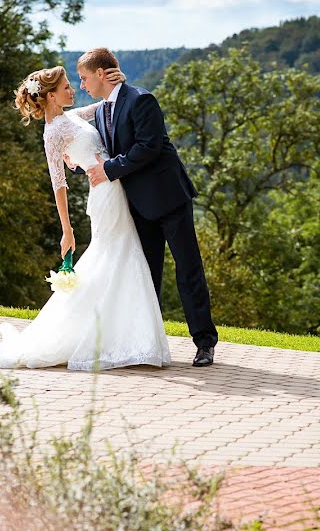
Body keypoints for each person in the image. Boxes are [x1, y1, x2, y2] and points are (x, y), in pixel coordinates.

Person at [0, 65, 171, 370]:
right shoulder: (54, 132)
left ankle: (125, 338)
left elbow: (105, 105)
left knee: (119, 258)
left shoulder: (71, 117)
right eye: (65, 87)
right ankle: (112, 339)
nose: (72, 90)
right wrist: (67, 230)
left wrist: (118, 80)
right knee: (115, 257)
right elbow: (58, 184)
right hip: (104, 196)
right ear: (50, 97)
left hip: (114, 190)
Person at [75, 47, 218, 367]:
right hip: (136, 205)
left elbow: (149, 147)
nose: (81, 85)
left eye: (84, 78)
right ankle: (148, 343)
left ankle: (205, 342)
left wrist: (108, 170)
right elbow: (67, 123)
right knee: (145, 274)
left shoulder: (141, 100)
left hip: (168, 198)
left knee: (188, 270)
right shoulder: (99, 111)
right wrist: (72, 156)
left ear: (101, 73)